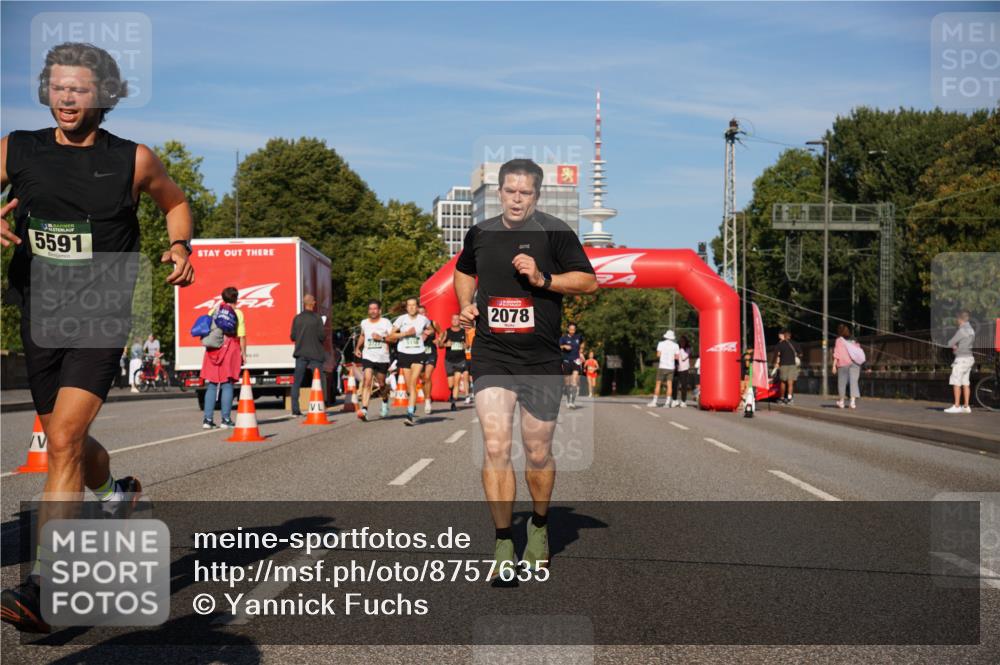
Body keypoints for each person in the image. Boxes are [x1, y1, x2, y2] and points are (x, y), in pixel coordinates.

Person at [0, 42, 195, 633]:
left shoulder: (132, 159)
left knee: (60, 438)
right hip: (40, 306)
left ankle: (43, 584)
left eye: (79, 88)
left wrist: (180, 245)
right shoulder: (18, 148)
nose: (65, 96)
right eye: (57, 86)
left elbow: (176, 202)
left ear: (103, 95)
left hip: (105, 304)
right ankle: (116, 489)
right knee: (68, 439)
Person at [454, 158, 597, 582]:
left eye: (526, 192)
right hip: (492, 356)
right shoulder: (480, 233)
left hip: (540, 360)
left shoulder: (555, 233)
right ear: (499, 192)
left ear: (537, 195)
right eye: (510, 191)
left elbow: (588, 282)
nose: (517, 199)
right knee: (496, 446)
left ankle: (538, 525)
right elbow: (465, 271)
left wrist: (543, 279)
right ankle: (502, 542)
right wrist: (465, 304)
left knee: (536, 453)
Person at [200, 287, 245, 428]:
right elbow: (241, 335)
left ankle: (207, 420)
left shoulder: (213, 311)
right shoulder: (238, 313)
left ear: (223, 298)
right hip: (230, 348)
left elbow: (206, 330)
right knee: (227, 384)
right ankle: (225, 420)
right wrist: (243, 352)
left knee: (212, 385)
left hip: (213, 350)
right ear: (236, 299)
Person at [388, 297, 431, 425]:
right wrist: (405, 334)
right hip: (404, 353)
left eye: (414, 305)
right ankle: (412, 404)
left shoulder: (423, 319)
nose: (412, 307)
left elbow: (431, 329)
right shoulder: (401, 319)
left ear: (417, 307)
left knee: (413, 383)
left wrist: (425, 335)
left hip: (418, 354)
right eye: (409, 305)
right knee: (408, 387)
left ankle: (410, 414)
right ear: (406, 307)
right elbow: (391, 335)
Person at [355, 299, 393, 421]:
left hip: (382, 357)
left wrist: (381, 338)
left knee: (381, 384)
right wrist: (357, 347)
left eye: (375, 309)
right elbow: (362, 335)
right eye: (370, 309)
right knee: (367, 380)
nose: (372, 311)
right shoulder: (364, 323)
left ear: (380, 310)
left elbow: (393, 339)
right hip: (368, 356)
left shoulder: (386, 322)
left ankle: (385, 400)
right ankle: (365, 409)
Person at [290, 294, 327, 416]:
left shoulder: (297, 318)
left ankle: (295, 409)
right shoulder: (317, 318)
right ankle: (320, 405)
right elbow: (322, 336)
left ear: (304, 303)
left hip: (300, 354)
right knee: (319, 380)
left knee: (297, 382)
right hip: (315, 354)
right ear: (313, 303)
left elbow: (293, 337)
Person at [944, 310, 975, 414]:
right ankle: (966, 406)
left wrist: (953, 346)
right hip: (969, 358)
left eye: (957, 319)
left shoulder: (962, 330)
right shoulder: (971, 330)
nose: (957, 321)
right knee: (966, 382)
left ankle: (956, 406)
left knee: (956, 381)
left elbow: (950, 343)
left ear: (960, 319)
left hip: (961, 359)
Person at [441, 314, 468, 411]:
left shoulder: (463, 332)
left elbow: (467, 345)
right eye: (454, 319)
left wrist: (465, 345)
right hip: (449, 360)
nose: (455, 321)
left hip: (460, 360)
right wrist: (445, 344)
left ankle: (453, 403)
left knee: (457, 380)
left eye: (457, 319)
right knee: (450, 385)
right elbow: (440, 344)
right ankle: (452, 395)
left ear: (459, 321)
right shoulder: (446, 332)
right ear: (451, 321)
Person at [418, 304, 442, 414]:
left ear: (426, 314)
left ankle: (427, 401)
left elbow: (442, 333)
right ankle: (428, 396)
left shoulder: (433, 323)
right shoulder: (414, 326)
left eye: (423, 313)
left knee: (427, 376)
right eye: (419, 313)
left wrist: (439, 340)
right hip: (418, 354)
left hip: (431, 353)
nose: (422, 315)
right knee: (423, 379)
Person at [832, 323, 861, 409]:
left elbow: (837, 354)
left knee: (842, 382)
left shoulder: (839, 340)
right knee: (854, 382)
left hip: (843, 363)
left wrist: (834, 366)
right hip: (855, 363)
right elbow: (858, 351)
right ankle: (852, 403)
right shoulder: (854, 339)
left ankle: (841, 402)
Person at [650, 330, 679, 407]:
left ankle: (654, 402)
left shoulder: (661, 344)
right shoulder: (676, 345)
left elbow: (658, 355)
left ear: (665, 336)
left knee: (658, 384)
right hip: (670, 367)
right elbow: (677, 357)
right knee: (669, 384)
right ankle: (667, 403)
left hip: (662, 366)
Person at [559, 323, 584, 409]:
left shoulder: (578, 337)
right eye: (571, 329)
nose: (572, 331)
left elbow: (582, 343)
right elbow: (559, 346)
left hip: (576, 361)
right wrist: (564, 346)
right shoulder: (564, 338)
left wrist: (581, 352)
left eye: (574, 329)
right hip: (566, 361)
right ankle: (568, 399)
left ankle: (572, 402)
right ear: (568, 329)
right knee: (567, 383)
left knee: (574, 382)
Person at [773, 328, 802, 404]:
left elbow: (776, 355)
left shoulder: (780, 344)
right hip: (792, 365)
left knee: (783, 382)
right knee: (790, 383)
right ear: (790, 336)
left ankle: (782, 398)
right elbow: (801, 354)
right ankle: (789, 399)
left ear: (784, 336)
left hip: (783, 365)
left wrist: (775, 363)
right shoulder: (795, 343)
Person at [672, 335, 692, 407]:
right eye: (680, 342)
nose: (682, 343)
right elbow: (674, 357)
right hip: (677, 369)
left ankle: (683, 401)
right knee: (674, 385)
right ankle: (674, 400)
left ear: (686, 342)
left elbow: (683, 357)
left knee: (684, 385)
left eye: (683, 342)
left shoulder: (688, 349)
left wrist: (680, 350)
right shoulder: (677, 348)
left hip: (684, 369)